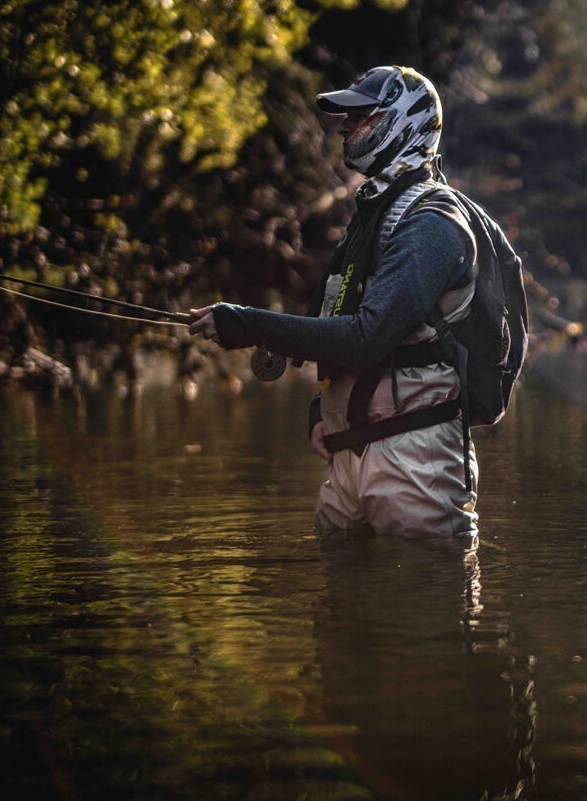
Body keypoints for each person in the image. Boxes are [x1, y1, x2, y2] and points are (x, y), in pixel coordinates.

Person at [189, 65, 489, 538]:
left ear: (403, 121)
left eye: (361, 117)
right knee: (339, 605)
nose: (346, 128)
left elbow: (367, 337)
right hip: (349, 457)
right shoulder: (373, 214)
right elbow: (334, 321)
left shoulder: (433, 221)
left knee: (424, 601)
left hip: (416, 461)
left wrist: (249, 325)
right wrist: (319, 412)